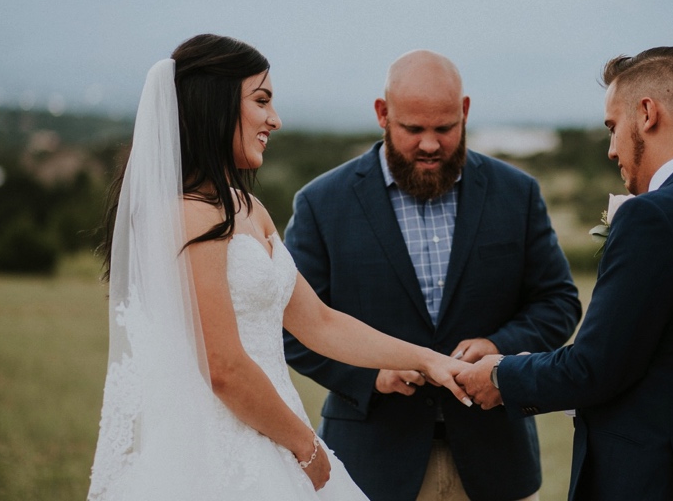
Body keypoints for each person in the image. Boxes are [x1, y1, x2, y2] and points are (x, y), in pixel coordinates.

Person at [87, 34, 473, 501]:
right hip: (218, 450)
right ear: (216, 105)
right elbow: (223, 366)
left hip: (273, 431)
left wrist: (426, 359)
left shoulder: (247, 208)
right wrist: (306, 446)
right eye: (262, 100)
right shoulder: (189, 215)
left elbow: (320, 322)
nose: (276, 118)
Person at [457, 47, 673, 500]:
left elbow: (594, 367)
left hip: (649, 484)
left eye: (612, 127)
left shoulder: (652, 218)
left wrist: (500, 375)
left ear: (647, 113)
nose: (610, 149)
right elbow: (662, 367)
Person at [282, 49, 582, 501]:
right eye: (413, 129)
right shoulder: (321, 203)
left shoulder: (517, 193)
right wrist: (371, 374)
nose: (429, 144)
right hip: (372, 464)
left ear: (464, 111)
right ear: (383, 114)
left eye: (444, 128)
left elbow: (558, 301)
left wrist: (499, 345)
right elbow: (289, 327)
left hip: (498, 463)